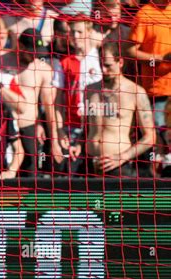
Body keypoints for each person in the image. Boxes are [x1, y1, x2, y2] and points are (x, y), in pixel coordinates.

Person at [84, 41, 155, 177]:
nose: (103, 70)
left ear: (120, 62)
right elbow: (87, 127)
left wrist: (123, 156)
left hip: (117, 165)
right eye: (101, 64)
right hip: (89, 162)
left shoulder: (135, 92)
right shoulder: (90, 90)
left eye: (108, 65)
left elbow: (150, 137)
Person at [2, 28, 56, 177]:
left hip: (29, 129)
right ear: (20, 46)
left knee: (30, 179)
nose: (34, 56)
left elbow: (49, 107)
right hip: (2, 130)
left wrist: (54, 141)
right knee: (2, 178)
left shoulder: (43, 69)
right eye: (31, 52)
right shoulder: (1, 60)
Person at [53, 15, 102, 176]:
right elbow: (58, 100)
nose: (75, 36)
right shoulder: (65, 62)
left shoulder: (101, 59)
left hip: (96, 128)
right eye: (72, 32)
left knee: (95, 176)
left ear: (89, 32)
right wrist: (59, 131)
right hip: (71, 127)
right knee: (71, 175)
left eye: (80, 32)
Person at [126, 0, 171, 129]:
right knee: (161, 140)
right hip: (158, 93)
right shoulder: (144, 14)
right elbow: (130, 51)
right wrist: (160, 58)